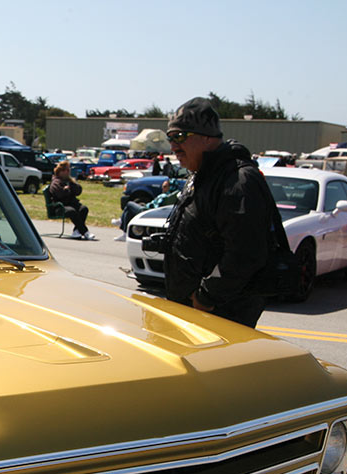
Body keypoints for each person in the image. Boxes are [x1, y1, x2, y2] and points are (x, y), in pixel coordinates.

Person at [162, 97, 281, 327]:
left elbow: (246, 253)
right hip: (192, 309)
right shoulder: (202, 175)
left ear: (207, 138)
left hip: (221, 311)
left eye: (180, 136)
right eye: (170, 138)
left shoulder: (237, 180)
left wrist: (206, 297)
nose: (173, 146)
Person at [115, 179, 179, 241]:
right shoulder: (172, 197)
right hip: (148, 209)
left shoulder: (164, 196)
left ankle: (121, 222)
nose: (162, 188)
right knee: (128, 211)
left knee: (129, 204)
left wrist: (146, 206)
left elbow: (155, 206)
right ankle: (124, 229)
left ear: (170, 187)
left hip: (146, 211)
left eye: (165, 186)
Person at [48, 160, 95, 240]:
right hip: (59, 207)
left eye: (69, 169)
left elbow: (78, 191)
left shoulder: (70, 181)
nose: (68, 172)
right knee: (71, 211)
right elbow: (60, 195)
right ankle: (85, 232)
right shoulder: (56, 182)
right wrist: (67, 190)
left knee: (83, 209)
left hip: (72, 204)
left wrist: (73, 187)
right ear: (60, 171)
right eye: (66, 170)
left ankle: (76, 231)